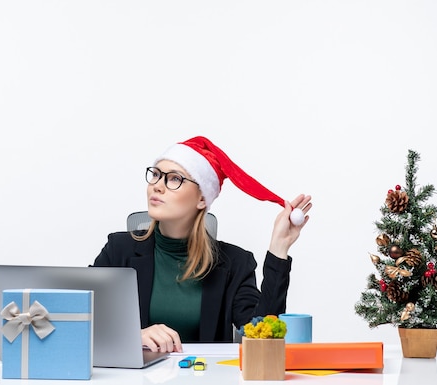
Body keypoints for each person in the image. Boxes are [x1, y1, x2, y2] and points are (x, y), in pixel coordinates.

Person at [92, 136, 312, 353]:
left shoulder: (235, 263)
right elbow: (82, 317)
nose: (158, 186)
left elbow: (262, 337)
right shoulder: (118, 249)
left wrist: (279, 248)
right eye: (156, 175)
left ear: (202, 199)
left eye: (174, 179)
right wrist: (133, 337)